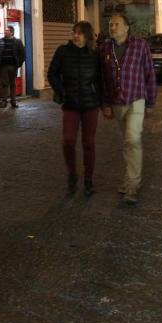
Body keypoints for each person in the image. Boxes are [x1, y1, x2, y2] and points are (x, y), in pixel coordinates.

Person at [100, 13, 157, 206]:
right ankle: (128, 178)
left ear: (126, 28)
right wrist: (105, 104)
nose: (112, 27)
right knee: (127, 141)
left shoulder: (140, 46)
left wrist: (150, 102)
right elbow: (103, 79)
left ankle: (132, 185)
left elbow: (149, 73)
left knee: (132, 139)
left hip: (136, 99)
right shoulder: (105, 48)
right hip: (116, 102)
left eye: (116, 24)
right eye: (110, 24)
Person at [47, 21, 102, 196]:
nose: (75, 35)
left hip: (90, 104)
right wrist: (61, 91)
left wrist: (100, 98)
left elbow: (100, 79)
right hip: (70, 103)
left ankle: (88, 179)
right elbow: (52, 73)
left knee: (88, 143)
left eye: (79, 33)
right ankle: (72, 173)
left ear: (87, 35)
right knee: (68, 141)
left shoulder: (94, 54)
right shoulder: (63, 52)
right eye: (74, 32)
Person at [0, 26, 26, 109]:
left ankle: (13, 101)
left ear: (11, 32)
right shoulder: (1, 41)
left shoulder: (17, 42)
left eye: (7, 31)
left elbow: (22, 54)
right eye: (5, 31)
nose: (5, 32)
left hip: (13, 66)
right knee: (4, 84)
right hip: (3, 66)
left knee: (12, 84)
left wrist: (18, 64)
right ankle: (4, 101)